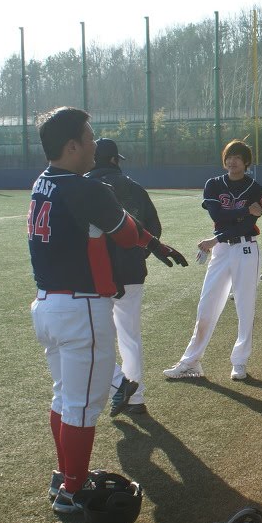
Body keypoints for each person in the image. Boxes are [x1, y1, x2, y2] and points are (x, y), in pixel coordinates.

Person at [28, 107, 187, 513]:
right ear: (72, 145)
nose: (96, 143)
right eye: (90, 135)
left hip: (47, 304)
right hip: (80, 308)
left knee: (65, 398)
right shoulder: (86, 189)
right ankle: (72, 491)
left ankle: (65, 476)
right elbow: (126, 230)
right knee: (82, 406)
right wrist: (155, 244)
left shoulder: (42, 182)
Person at [164, 140, 262, 382]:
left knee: (245, 306)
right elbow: (218, 215)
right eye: (229, 156)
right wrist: (241, 213)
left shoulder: (256, 188)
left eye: (238, 158)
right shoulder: (213, 185)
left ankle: (239, 362)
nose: (233, 161)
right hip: (221, 250)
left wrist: (215, 237)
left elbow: (248, 225)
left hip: (246, 248)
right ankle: (191, 362)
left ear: (246, 162)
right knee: (206, 305)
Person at [85, 138, 161, 417]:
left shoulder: (83, 187)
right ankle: (136, 397)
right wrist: (138, 257)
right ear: (115, 160)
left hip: (94, 277)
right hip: (131, 272)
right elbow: (154, 228)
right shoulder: (134, 188)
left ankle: (117, 387)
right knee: (129, 336)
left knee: (92, 340)